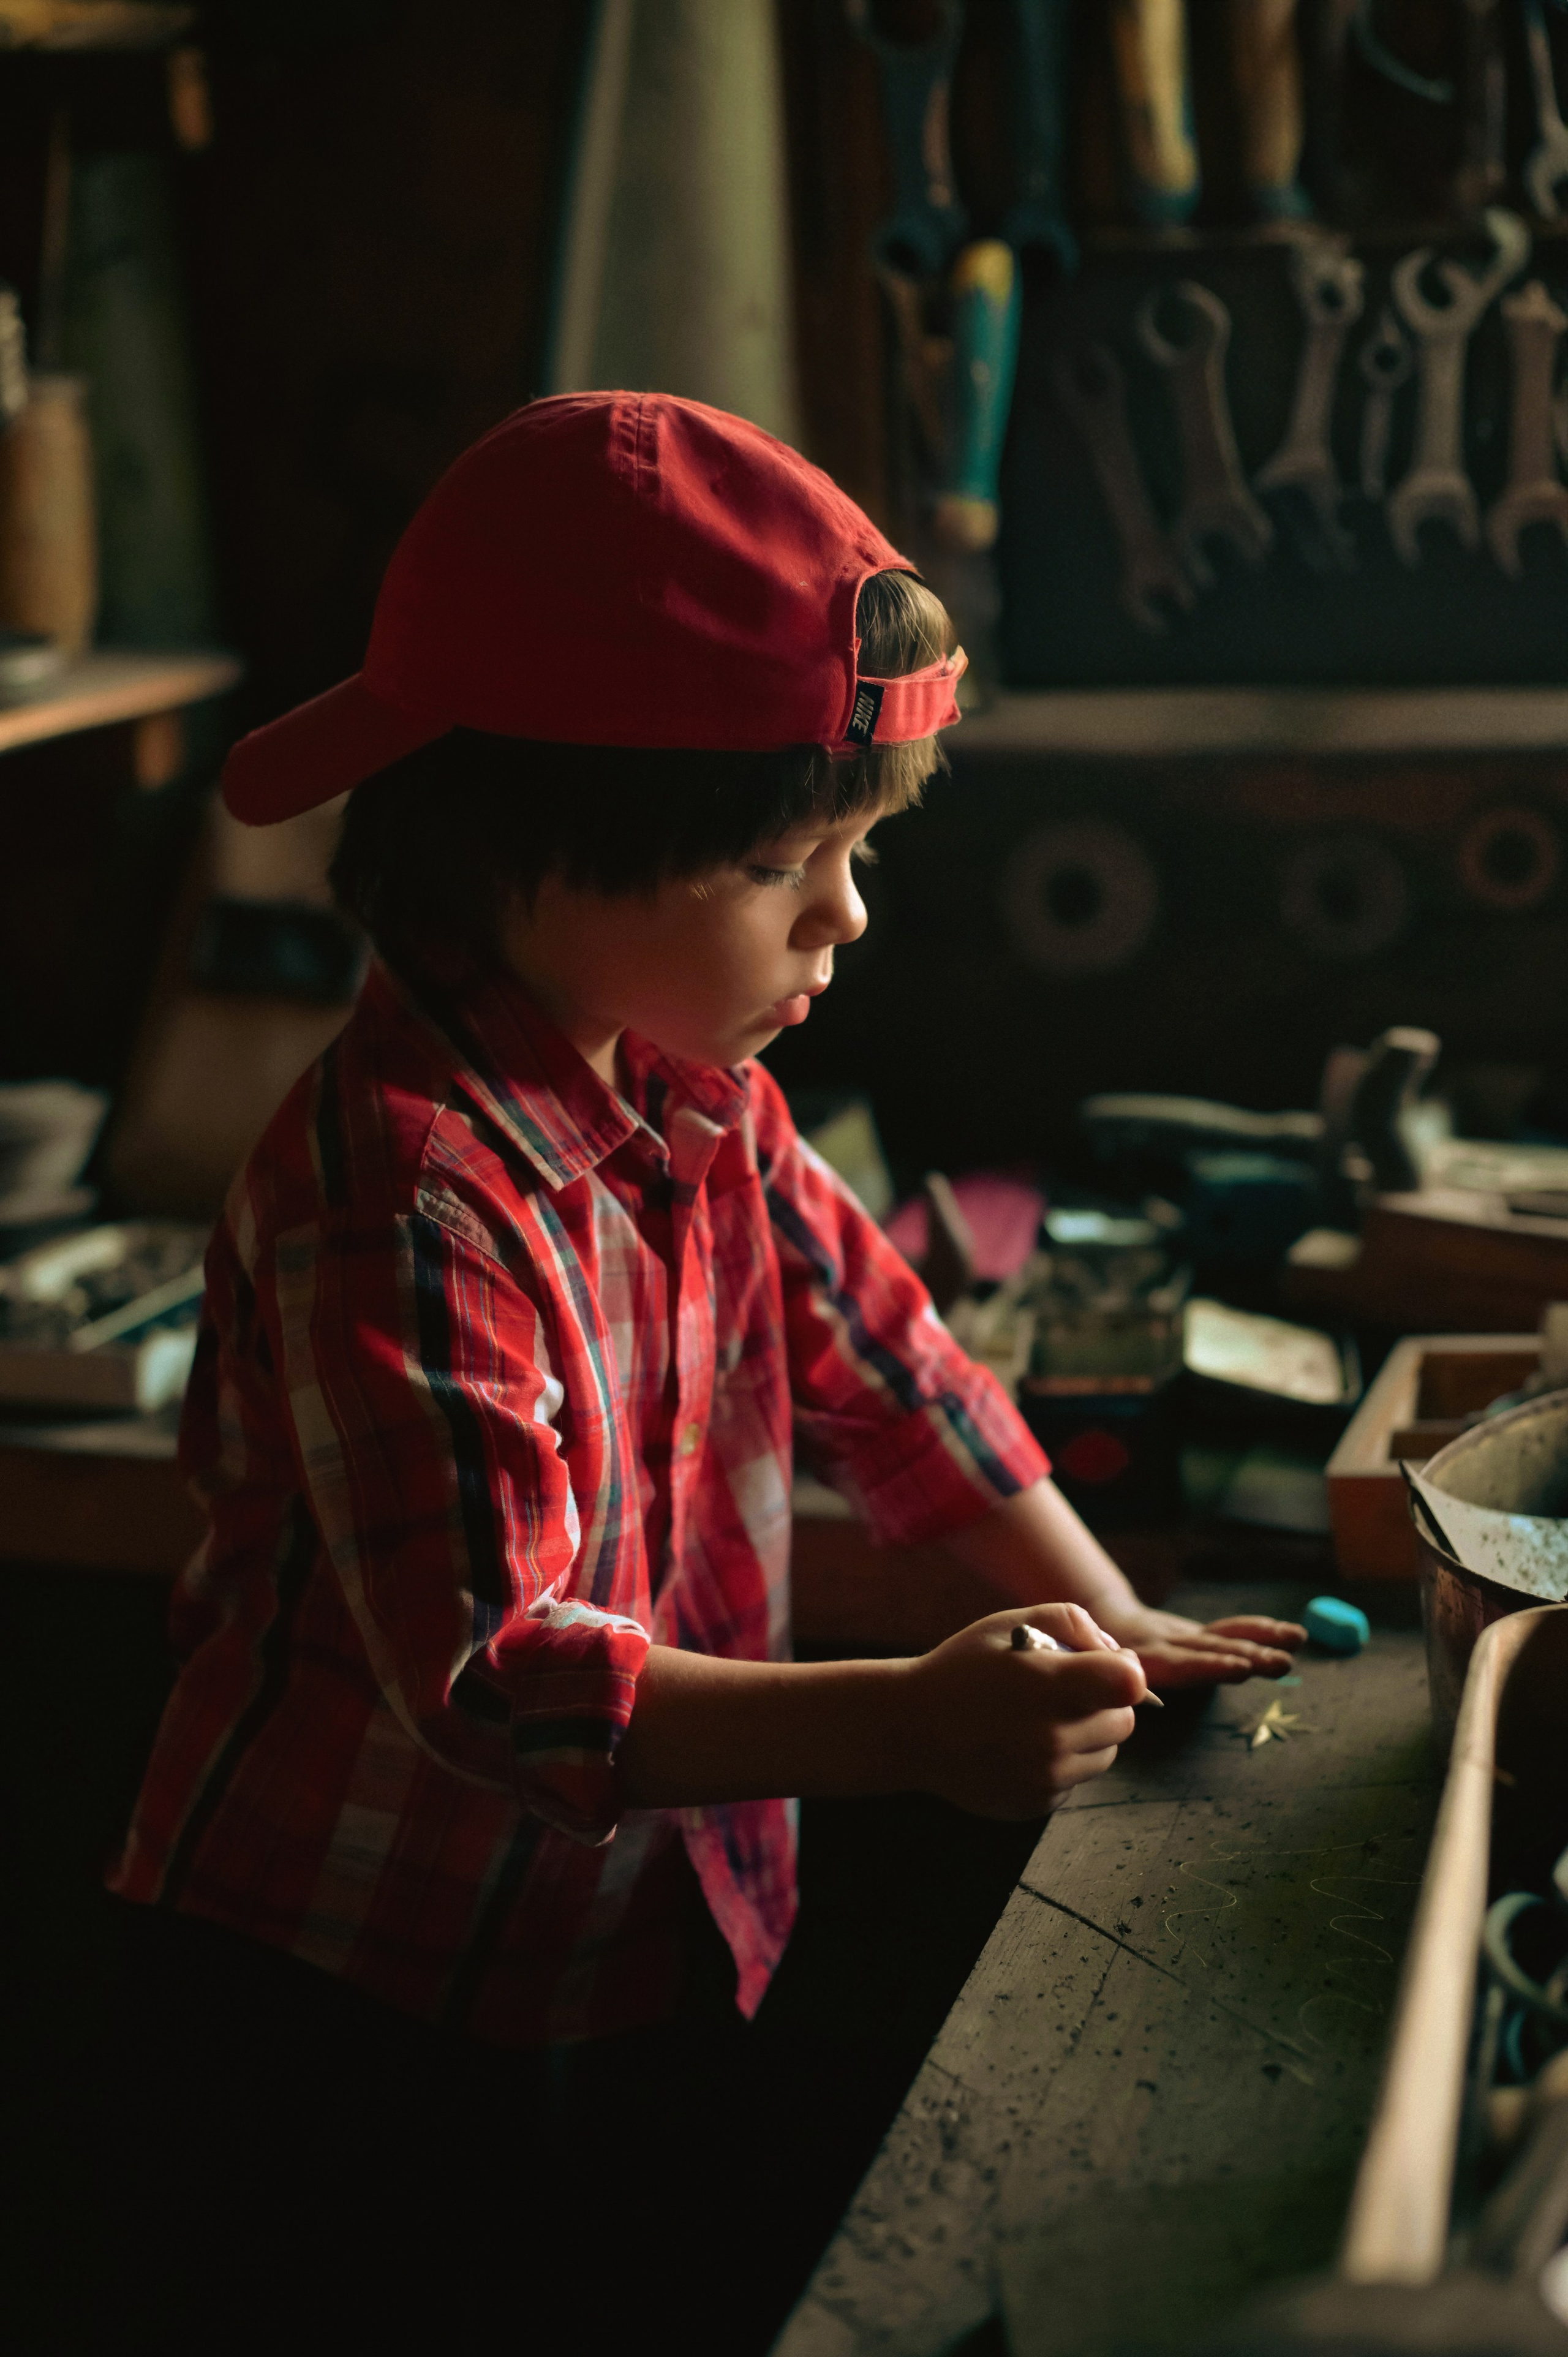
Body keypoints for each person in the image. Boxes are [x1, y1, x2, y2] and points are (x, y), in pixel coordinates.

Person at [105, 393, 1302, 2350]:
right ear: (525, 848)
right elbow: (498, 1673)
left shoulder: (704, 1094)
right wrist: (910, 1726)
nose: (847, 914)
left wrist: (1114, 1620)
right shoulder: (401, 1197)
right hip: (357, 2002)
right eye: (784, 861)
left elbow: (893, 1363)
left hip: (627, 1942)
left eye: (855, 848)